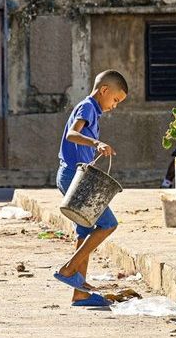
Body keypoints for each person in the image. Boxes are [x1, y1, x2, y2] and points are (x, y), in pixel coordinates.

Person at [53, 70, 128, 307]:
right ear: (104, 90)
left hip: (78, 178)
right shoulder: (87, 107)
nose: (114, 106)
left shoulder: (94, 112)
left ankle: (80, 294)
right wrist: (96, 142)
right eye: (115, 100)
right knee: (108, 224)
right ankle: (68, 269)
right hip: (72, 178)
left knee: (85, 231)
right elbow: (72, 134)